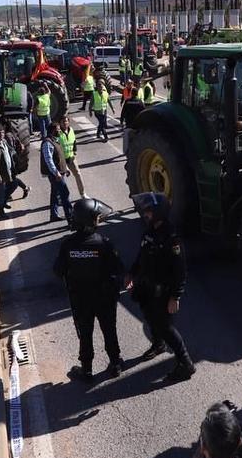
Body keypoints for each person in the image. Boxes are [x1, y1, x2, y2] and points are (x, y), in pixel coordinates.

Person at [53, 198, 124, 381]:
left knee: (85, 334)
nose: (99, 219)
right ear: (90, 221)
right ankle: (115, 363)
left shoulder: (68, 244)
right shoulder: (104, 243)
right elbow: (118, 270)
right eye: (96, 217)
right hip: (104, 298)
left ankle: (86, 370)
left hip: (80, 299)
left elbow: (58, 270)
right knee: (109, 330)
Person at [128, 192, 195, 382]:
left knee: (166, 327)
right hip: (147, 287)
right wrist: (131, 273)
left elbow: (180, 271)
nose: (145, 214)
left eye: (148, 211)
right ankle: (158, 345)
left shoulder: (171, 238)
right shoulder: (149, 231)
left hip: (163, 292)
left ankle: (186, 363)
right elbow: (142, 255)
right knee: (149, 317)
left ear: (158, 212)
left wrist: (175, 297)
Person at [41, 122, 73, 223]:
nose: (60, 131)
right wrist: (56, 173)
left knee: (54, 194)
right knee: (65, 193)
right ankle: (71, 218)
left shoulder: (56, 140)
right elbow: (48, 160)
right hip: (55, 175)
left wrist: (66, 168)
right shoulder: (47, 143)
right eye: (58, 129)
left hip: (59, 172)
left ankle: (54, 215)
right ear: (53, 131)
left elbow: (60, 157)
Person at [59, 115, 86, 198]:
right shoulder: (57, 132)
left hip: (71, 157)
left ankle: (83, 194)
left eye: (66, 121)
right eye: (63, 122)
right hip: (61, 159)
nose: (65, 123)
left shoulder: (71, 130)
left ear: (69, 122)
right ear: (60, 123)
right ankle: (60, 197)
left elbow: (74, 141)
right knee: (61, 179)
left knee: (78, 174)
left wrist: (74, 151)